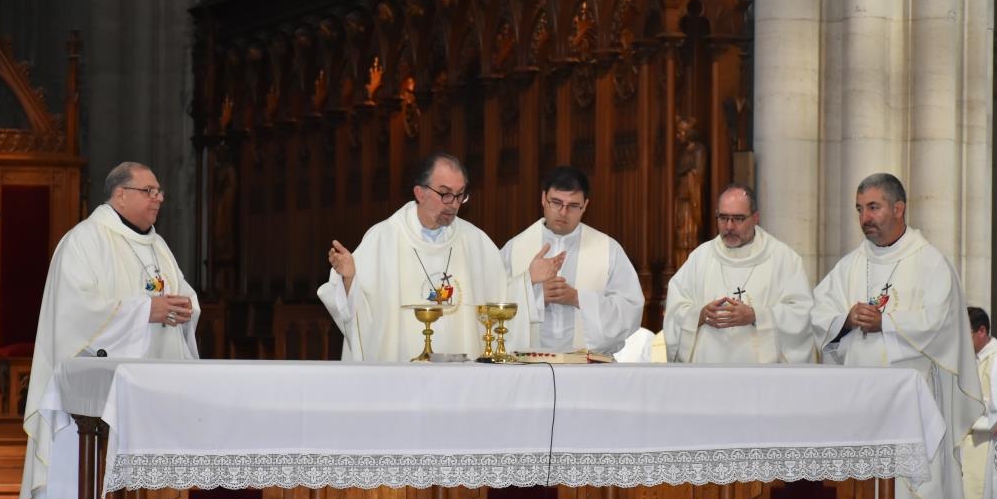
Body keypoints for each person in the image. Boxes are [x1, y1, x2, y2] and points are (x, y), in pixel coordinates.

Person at [20, 161, 200, 499]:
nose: (158, 198)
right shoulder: (82, 242)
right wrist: (145, 312)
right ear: (120, 195)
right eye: (149, 190)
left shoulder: (158, 248)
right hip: (85, 413)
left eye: (159, 191)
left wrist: (186, 309)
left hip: (149, 404)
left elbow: (182, 294)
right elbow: (74, 315)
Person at [811, 172, 982, 499]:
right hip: (858, 411)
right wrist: (846, 319)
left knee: (910, 497)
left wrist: (886, 322)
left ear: (899, 208)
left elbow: (941, 323)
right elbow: (819, 313)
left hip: (910, 409)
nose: (865, 218)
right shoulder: (851, 265)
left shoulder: (929, 261)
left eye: (873, 207)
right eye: (860, 209)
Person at [318, 152, 506, 361]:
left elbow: (503, 295)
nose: (454, 204)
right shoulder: (383, 239)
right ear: (420, 193)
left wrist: (528, 284)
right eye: (445, 194)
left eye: (460, 194)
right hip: (401, 376)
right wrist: (349, 278)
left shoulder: (476, 242)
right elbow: (358, 312)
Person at [663, 183, 814, 364]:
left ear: (755, 218)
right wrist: (700, 315)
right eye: (723, 218)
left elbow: (801, 313)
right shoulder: (700, 258)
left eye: (738, 218)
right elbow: (675, 308)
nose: (729, 226)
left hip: (760, 378)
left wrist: (755, 315)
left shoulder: (783, 259)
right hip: (708, 371)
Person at [501, 166, 643, 354]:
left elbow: (630, 309)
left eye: (573, 206)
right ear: (543, 199)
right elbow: (491, 302)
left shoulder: (609, 250)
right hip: (528, 364)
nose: (563, 212)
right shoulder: (515, 248)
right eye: (556, 202)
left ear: (585, 206)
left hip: (588, 367)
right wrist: (533, 294)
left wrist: (577, 299)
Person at [952, 306, 997, 499]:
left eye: (966, 334)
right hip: (968, 441)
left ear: (982, 331)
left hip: (988, 444)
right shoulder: (968, 357)